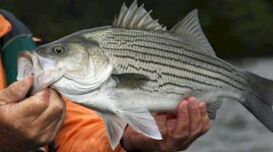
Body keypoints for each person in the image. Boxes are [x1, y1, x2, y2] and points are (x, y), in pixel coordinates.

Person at [0, 10, 211, 152]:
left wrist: (126, 142)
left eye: (58, 51)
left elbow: (76, 134)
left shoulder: (17, 43)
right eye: (58, 51)